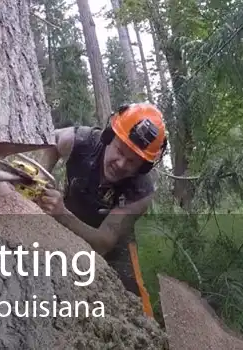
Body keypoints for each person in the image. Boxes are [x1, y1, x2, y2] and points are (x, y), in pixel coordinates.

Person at [34, 103, 168, 319]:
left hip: (113, 244)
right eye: (119, 151)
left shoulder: (141, 192)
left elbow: (104, 242)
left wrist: (61, 215)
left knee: (135, 303)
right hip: (69, 218)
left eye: (132, 162)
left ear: (143, 167)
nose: (121, 163)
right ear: (108, 137)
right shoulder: (83, 140)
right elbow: (52, 141)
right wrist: (39, 178)